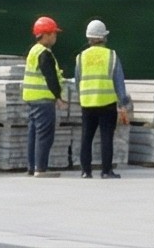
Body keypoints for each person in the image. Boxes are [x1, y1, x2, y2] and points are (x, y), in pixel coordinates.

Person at [75, 20, 130, 178]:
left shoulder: (81, 57)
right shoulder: (111, 55)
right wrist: (123, 103)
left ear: (89, 38)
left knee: (86, 137)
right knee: (106, 137)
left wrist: (82, 98)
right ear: (104, 37)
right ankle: (106, 171)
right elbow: (118, 81)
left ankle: (86, 171)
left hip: (87, 103)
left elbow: (78, 81)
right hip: (107, 104)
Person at [22, 17, 66, 177]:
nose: (55, 37)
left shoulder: (33, 50)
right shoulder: (44, 53)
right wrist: (58, 97)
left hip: (32, 99)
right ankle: (40, 168)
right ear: (46, 34)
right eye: (54, 33)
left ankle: (32, 167)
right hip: (43, 99)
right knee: (44, 134)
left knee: (34, 134)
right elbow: (50, 76)